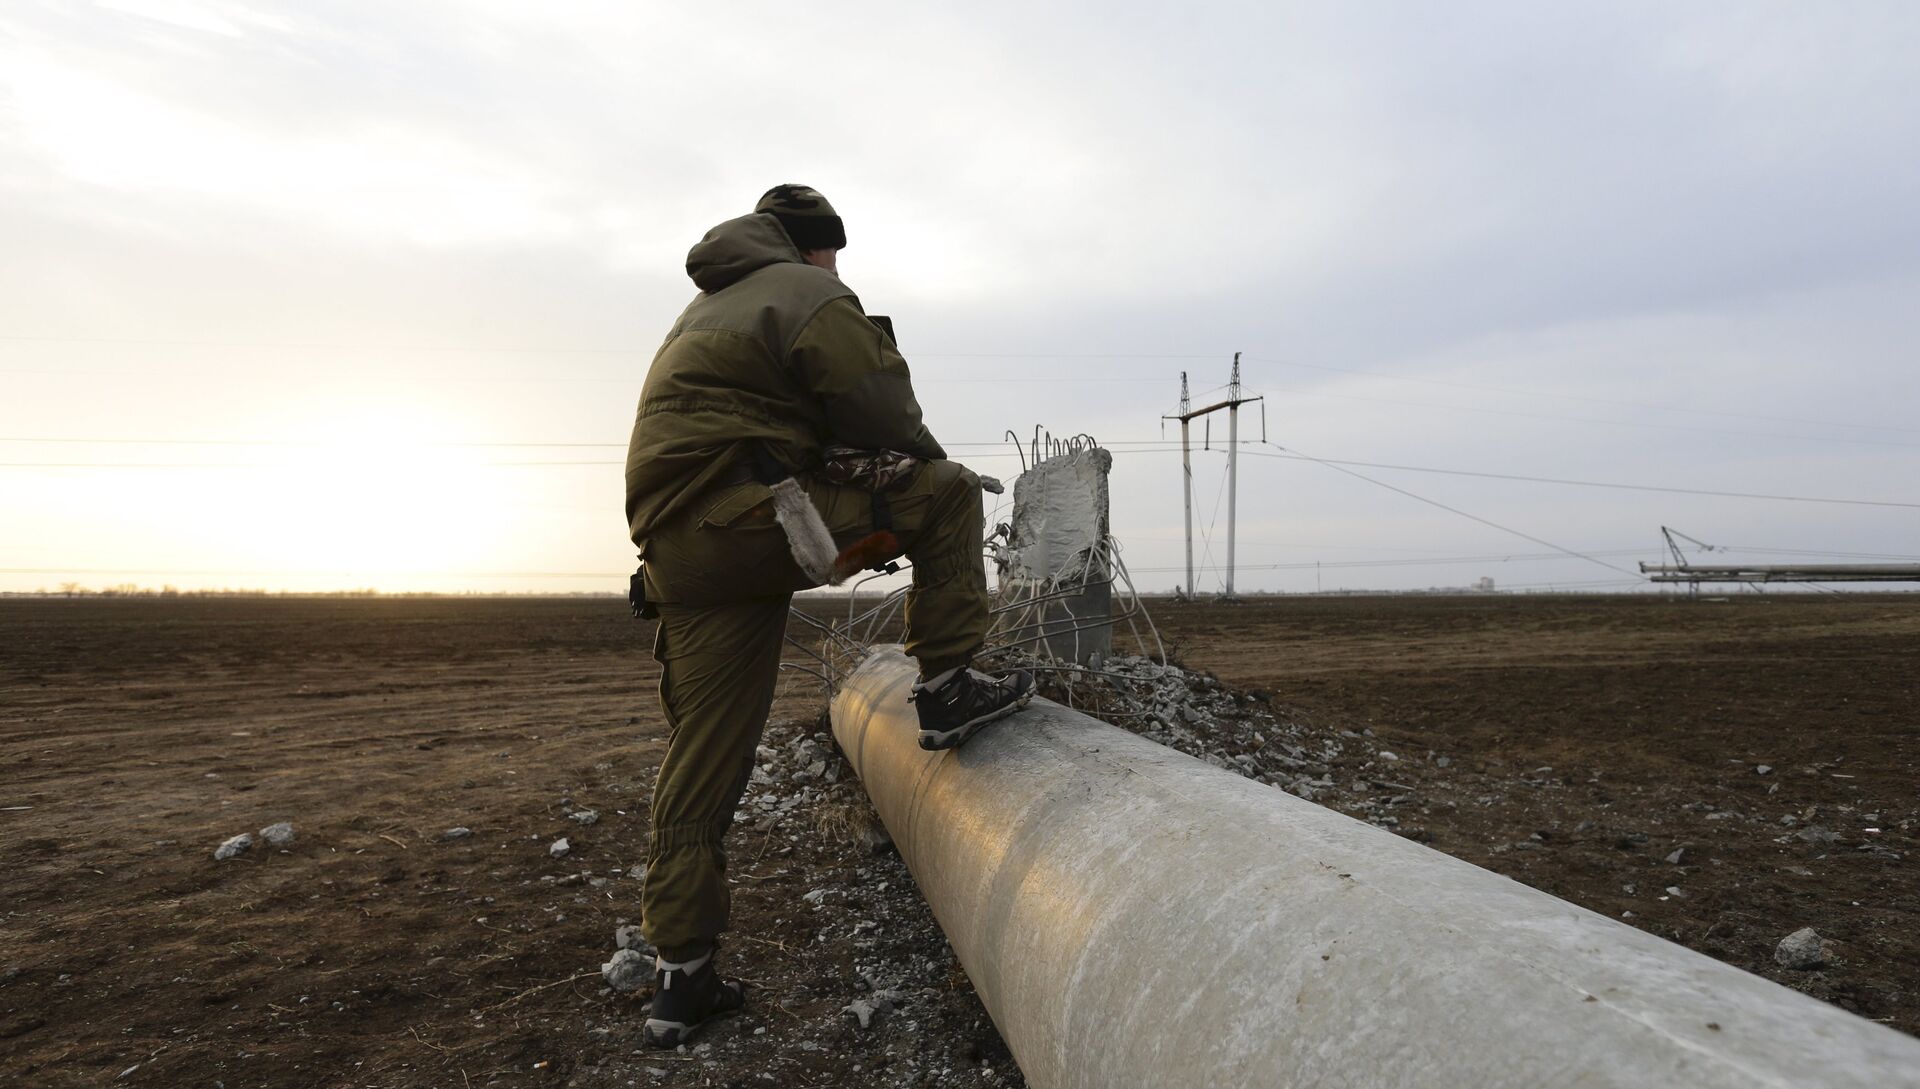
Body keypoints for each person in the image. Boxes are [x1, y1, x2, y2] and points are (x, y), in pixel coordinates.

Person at [622, 184, 1033, 1047]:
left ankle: (680, 978)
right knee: (950, 491)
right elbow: (885, 407)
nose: (837, 265)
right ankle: (950, 681)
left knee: (703, 753)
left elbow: (743, 423)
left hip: (678, 551)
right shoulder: (807, 293)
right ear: (814, 246)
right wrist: (902, 470)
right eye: (833, 250)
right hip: (758, 524)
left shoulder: (702, 310)